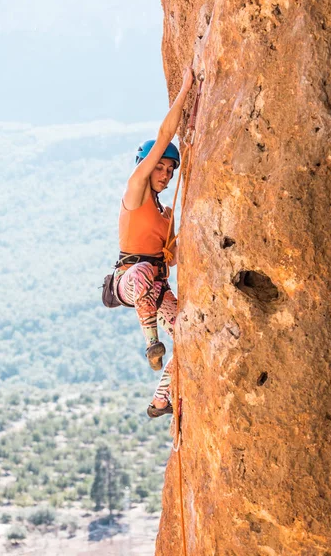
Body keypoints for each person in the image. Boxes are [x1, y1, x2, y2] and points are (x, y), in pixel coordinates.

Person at [114, 67, 194, 418]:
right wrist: (186, 89)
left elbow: (173, 259)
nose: (164, 175)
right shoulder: (135, 192)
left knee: (190, 335)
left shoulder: (166, 213)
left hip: (156, 286)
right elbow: (164, 134)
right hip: (128, 281)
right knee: (145, 270)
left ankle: (160, 399)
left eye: (169, 171)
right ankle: (151, 343)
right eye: (159, 167)